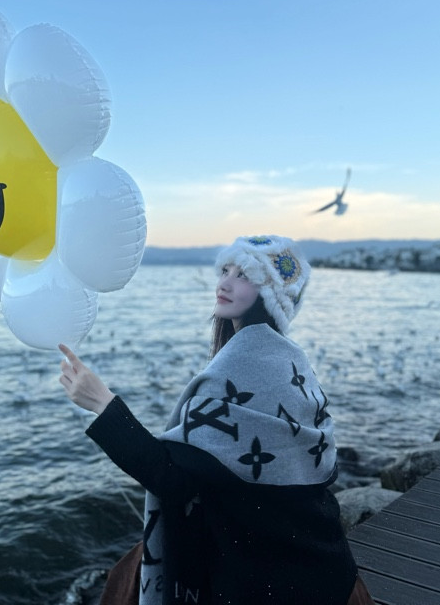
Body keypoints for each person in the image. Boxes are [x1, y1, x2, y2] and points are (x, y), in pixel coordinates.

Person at [59, 234, 374, 605]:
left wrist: (103, 404)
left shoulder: (242, 363)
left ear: (270, 294)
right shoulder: (291, 359)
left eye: (244, 275)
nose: (224, 283)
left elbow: (175, 483)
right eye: (225, 270)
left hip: (263, 580)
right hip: (325, 567)